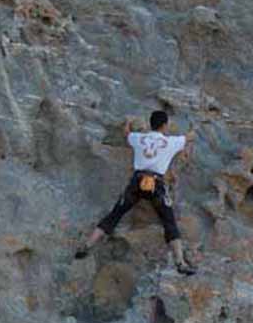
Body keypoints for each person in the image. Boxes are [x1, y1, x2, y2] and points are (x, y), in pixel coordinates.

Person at [75, 110, 197, 274]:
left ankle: (87, 245)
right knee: (169, 222)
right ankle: (180, 263)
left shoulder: (138, 138)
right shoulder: (171, 142)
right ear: (164, 125)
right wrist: (194, 126)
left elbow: (127, 133)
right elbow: (190, 137)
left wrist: (127, 122)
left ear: (150, 124)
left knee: (115, 214)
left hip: (137, 182)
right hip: (157, 185)